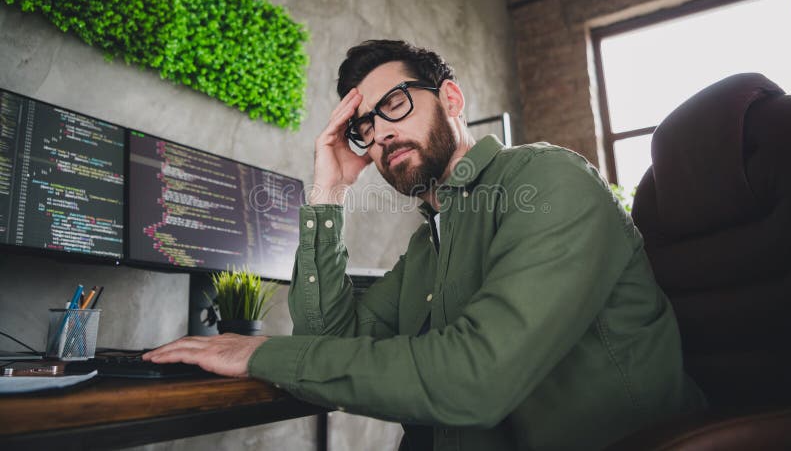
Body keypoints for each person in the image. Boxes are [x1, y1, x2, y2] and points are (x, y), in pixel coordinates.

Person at [145, 40, 706, 450]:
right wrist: (329, 195)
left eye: (395, 104)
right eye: (363, 126)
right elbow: (329, 342)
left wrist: (259, 352)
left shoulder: (549, 181)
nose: (380, 132)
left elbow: (474, 379)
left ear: (452, 100)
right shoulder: (429, 244)